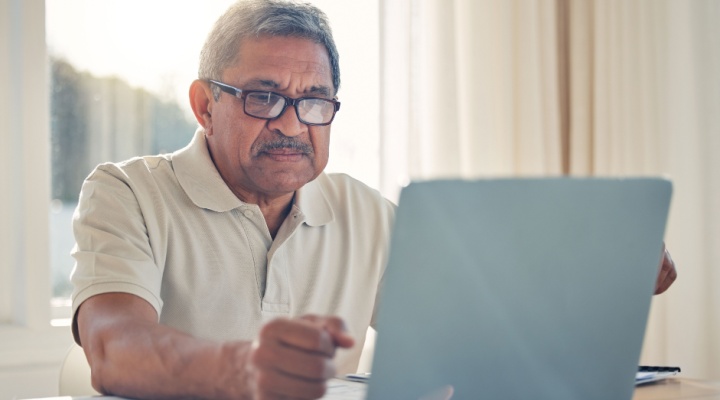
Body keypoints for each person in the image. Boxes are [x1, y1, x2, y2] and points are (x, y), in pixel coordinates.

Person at [70, 1, 677, 399]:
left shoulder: (365, 213)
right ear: (205, 105)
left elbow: (478, 340)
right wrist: (243, 369)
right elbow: (114, 348)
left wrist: (600, 276)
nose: (292, 123)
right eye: (263, 96)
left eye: (315, 99)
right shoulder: (126, 192)